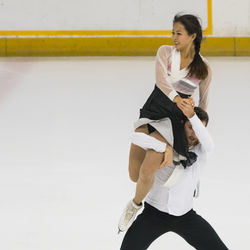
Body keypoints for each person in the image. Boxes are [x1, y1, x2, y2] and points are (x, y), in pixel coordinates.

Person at [118, 13, 212, 232]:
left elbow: (204, 103)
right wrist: (178, 98)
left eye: (179, 33)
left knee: (148, 169)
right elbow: (161, 81)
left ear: (192, 36)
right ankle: (172, 152)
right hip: (153, 110)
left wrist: (195, 130)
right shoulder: (165, 53)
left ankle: (135, 205)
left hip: (174, 120)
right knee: (134, 173)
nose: (174, 37)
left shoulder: (203, 67)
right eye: (172, 32)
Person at [120, 103, 228, 250]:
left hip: (186, 217)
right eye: (191, 128)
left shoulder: (202, 151)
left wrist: (192, 117)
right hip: (152, 215)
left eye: (199, 130)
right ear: (182, 124)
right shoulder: (165, 140)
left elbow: (210, 145)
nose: (194, 135)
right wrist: (166, 148)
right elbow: (134, 137)